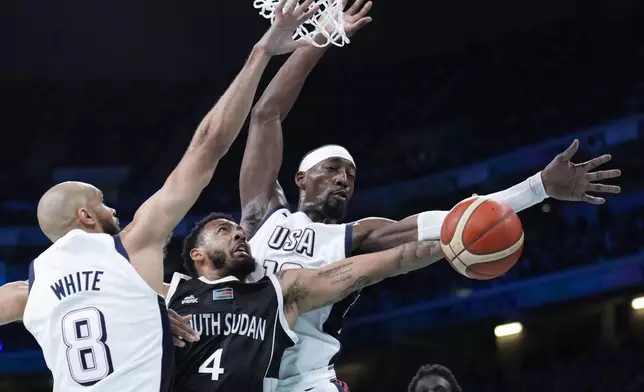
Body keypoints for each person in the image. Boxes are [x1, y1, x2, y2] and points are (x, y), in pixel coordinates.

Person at [238, 2, 622, 391]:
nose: (343, 180)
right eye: (333, 169)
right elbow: (265, 115)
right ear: (301, 177)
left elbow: (458, 223)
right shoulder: (263, 216)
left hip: (305, 381)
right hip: (240, 373)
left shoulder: (357, 237)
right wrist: (323, 36)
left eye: (351, 175)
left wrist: (538, 187)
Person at [0, 3, 318, 390]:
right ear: (85, 216)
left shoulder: (27, 291)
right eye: (102, 201)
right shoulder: (131, 248)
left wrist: (137, 313)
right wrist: (261, 52)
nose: (112, 208)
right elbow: (207, 145)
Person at [165, 213, 445, 392]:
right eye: (224, 230)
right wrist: (152, 314)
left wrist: (449, 244)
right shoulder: (170, 293)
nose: (239, 234)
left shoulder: (277, 291)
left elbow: (380, 264)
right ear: (197, 254)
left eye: (240, 230)